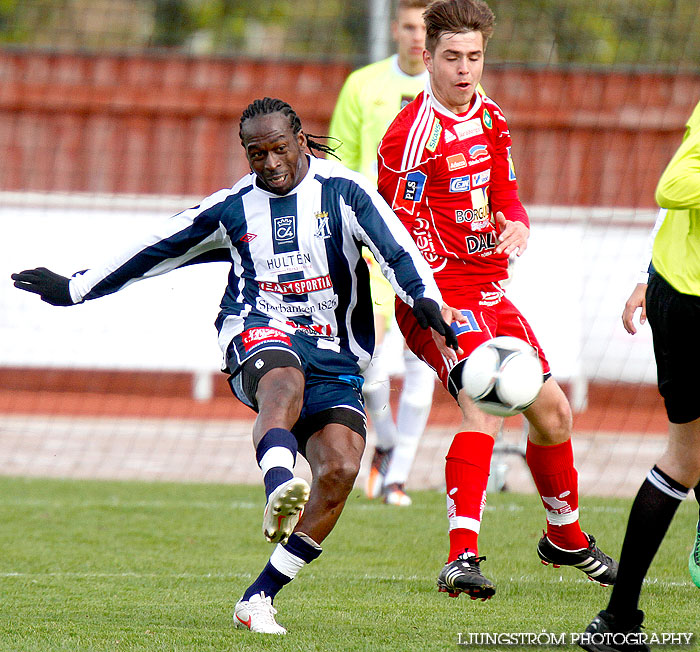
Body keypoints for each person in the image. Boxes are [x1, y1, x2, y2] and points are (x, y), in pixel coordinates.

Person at [11, 97, 462, 635]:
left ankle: (259, 598)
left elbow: (398, 251)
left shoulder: (346, 192)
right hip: (257, 332)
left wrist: (427, 302)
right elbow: (155, 248)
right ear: (245, 153)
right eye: (256, 153)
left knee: (340, 468)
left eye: (278, 149)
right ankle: (278, 484)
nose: (270, 163)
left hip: (339, 354)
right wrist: (75, 287)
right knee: (284, 380)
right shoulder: (233, 208)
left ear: (299, 137)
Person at [376, 0, 618, 601]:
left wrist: (519, 224)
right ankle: (461, 556)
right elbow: (392, 235)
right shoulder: (408, 136)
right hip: (436, 297)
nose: (464, 69)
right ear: (426, 57)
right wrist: (431, 301)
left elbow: (507, 193)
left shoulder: (492, 118)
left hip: (489, 289)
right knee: (482, 402)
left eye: (474, 57)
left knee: (554, 413)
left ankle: (564, 535)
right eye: (452, 57)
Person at [581, 100, 700, 652]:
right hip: (688, 297)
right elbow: (673, 188)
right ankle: (617, 619)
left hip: (678, 291)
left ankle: (618, 620)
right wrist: (644, 275)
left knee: (688, 456)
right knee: (684, 456)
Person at [329, 0, 436, 507]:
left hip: (433, 250)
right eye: (412, 26)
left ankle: (397, 476)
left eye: (427, 28)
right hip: (371, 246)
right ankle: (388, 446)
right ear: (395, 28)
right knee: (371, 371)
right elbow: (340, 165)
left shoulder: (456, 91)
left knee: (424, 366)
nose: (419, 37)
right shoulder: (362, 86)